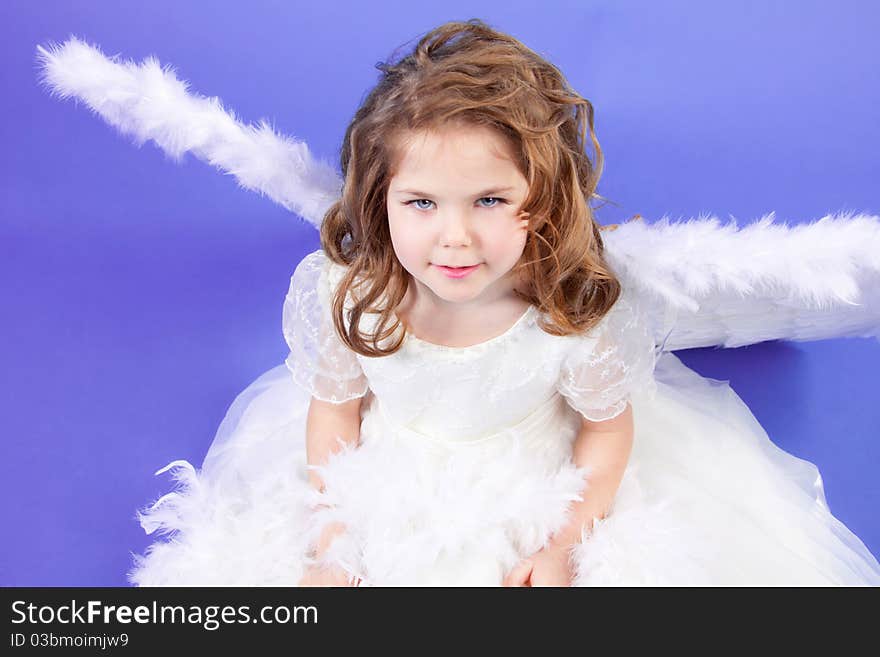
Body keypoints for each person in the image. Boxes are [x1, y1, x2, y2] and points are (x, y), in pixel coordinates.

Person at [130, 19, 880, 586]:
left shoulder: (569, 317)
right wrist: (332, 533)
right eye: (421, 202)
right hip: (392, 470)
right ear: (378, 200)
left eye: (490, 199)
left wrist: (562, 542)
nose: (455, 239)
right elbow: (335, 410)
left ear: (540, 200)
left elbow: (605, 434)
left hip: (532, 478)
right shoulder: (354, 294)